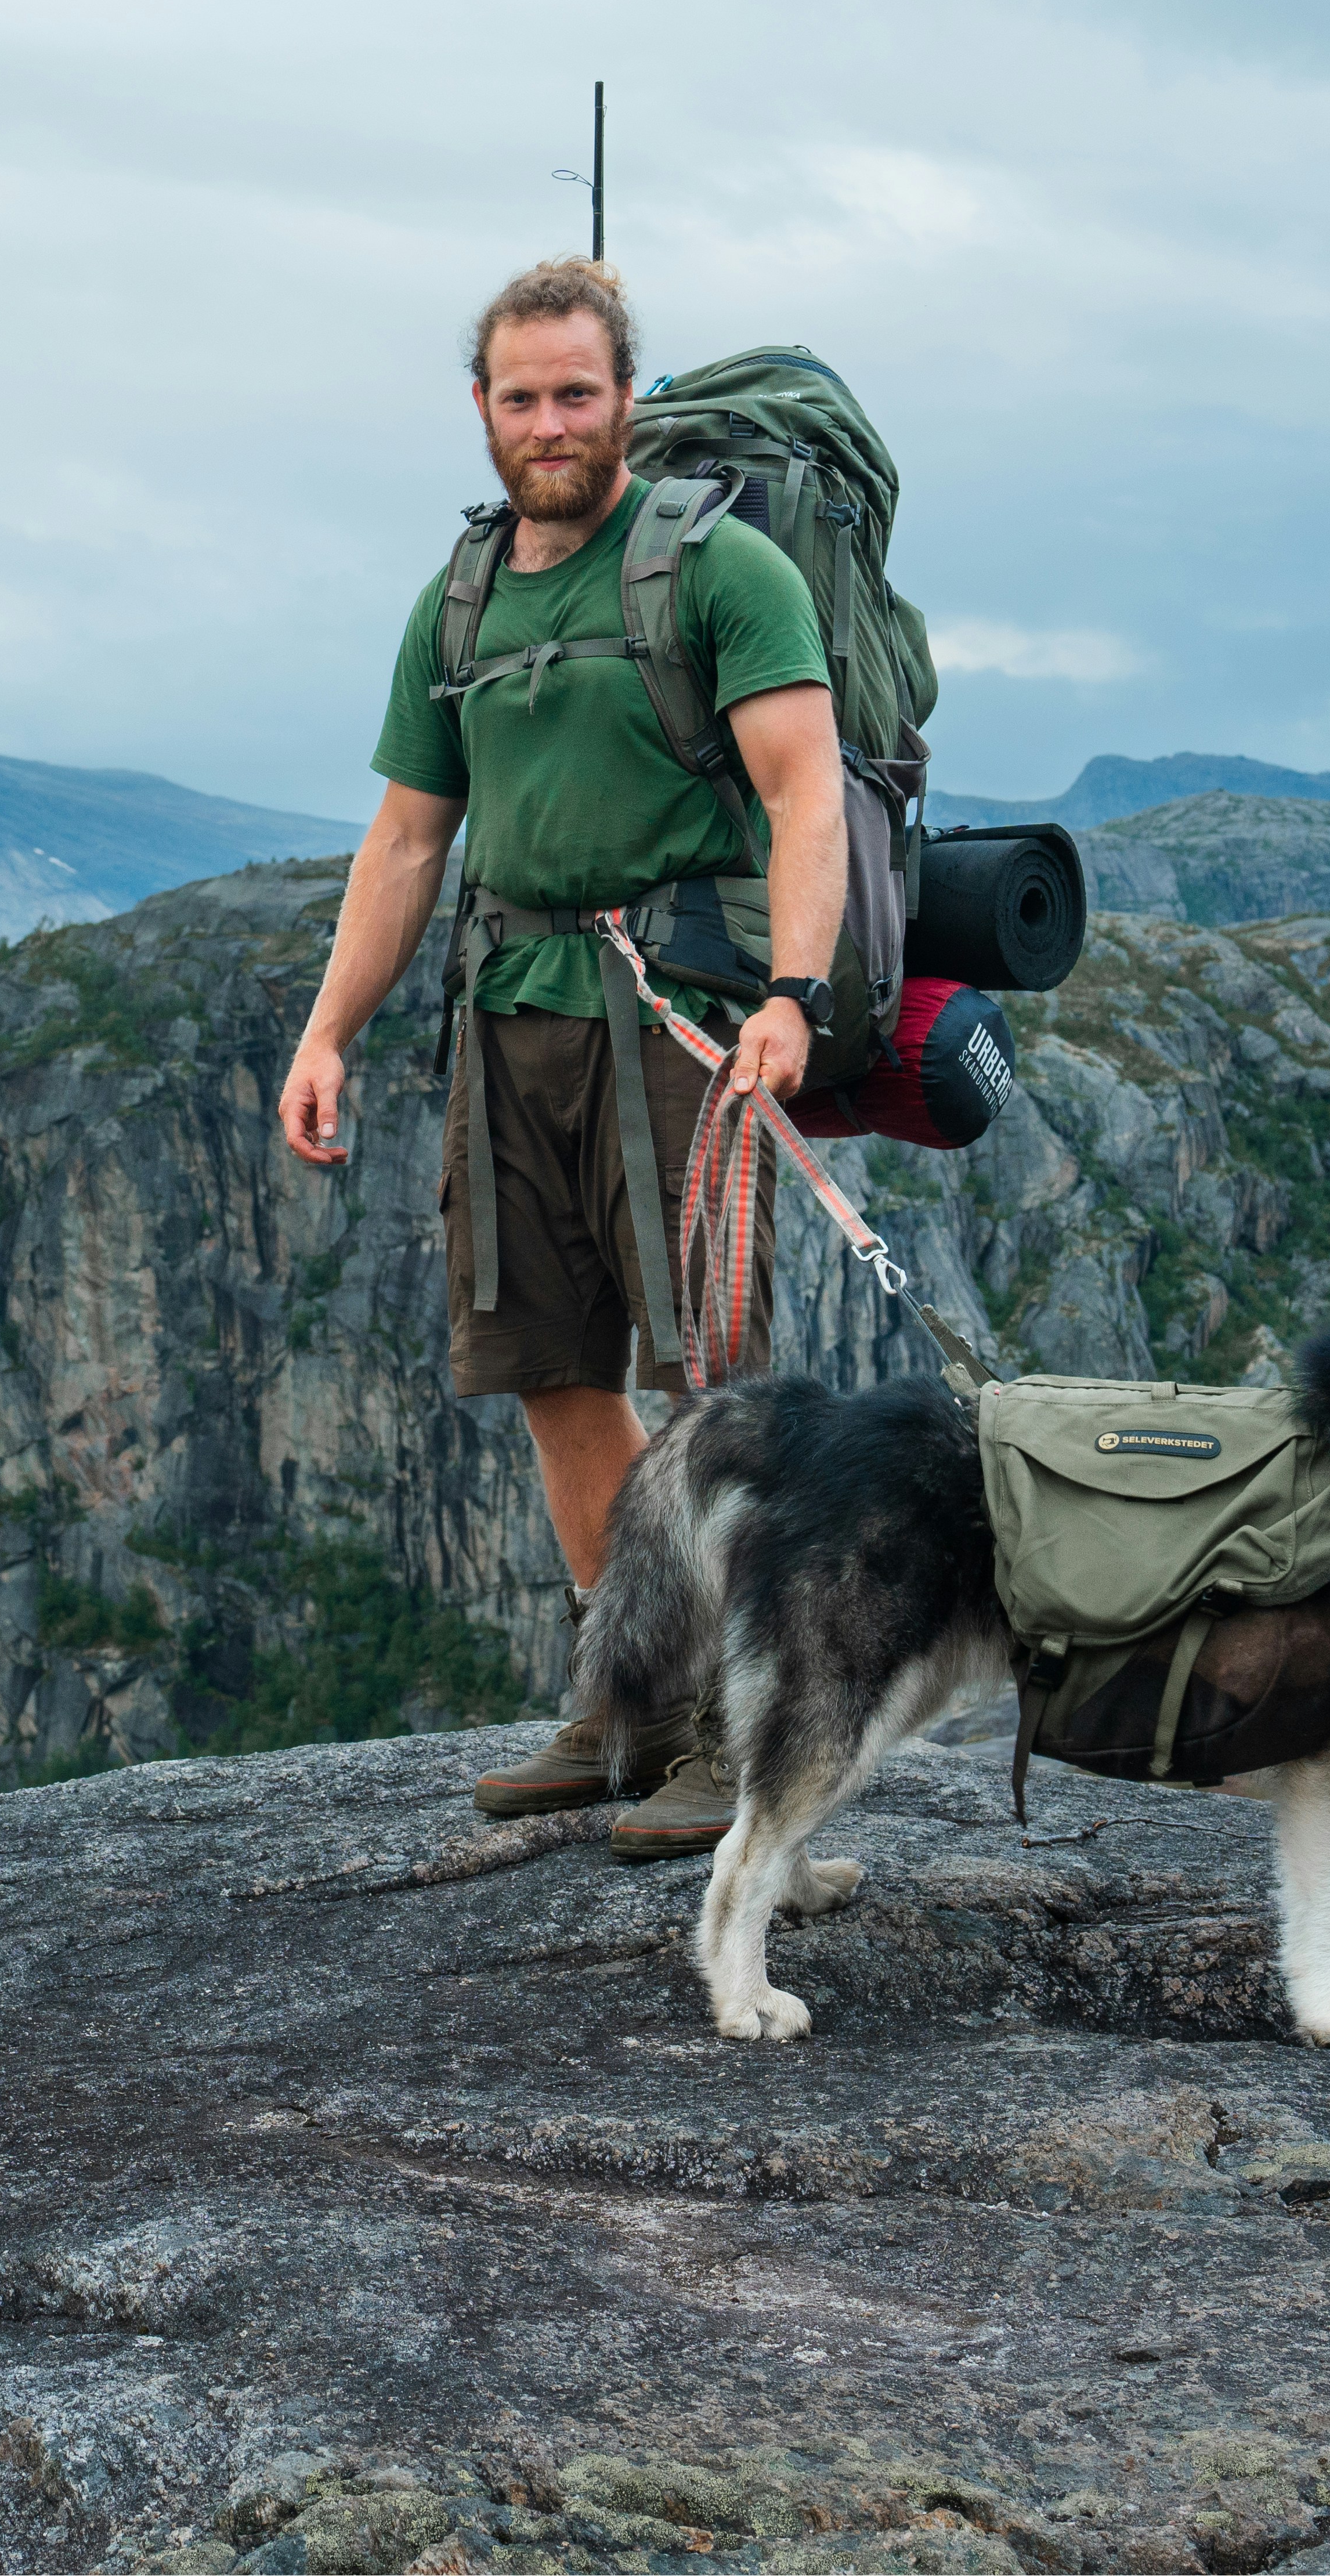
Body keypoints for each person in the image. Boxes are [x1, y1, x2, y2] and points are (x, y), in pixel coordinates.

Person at [275, 258, 850, 1863]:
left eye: (575, 394)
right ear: (481, 410)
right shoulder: (459, 602)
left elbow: (804, 789)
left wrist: (792, 994)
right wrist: (329, 1033)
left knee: (706, 1378)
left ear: (628, 404)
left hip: (676, 1008)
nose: (547, 424)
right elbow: (407, 841)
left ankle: (746, 1736)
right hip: (506, 1008)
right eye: (519, 398)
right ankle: (627, 1701)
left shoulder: (723, 572)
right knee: (550, 1366)